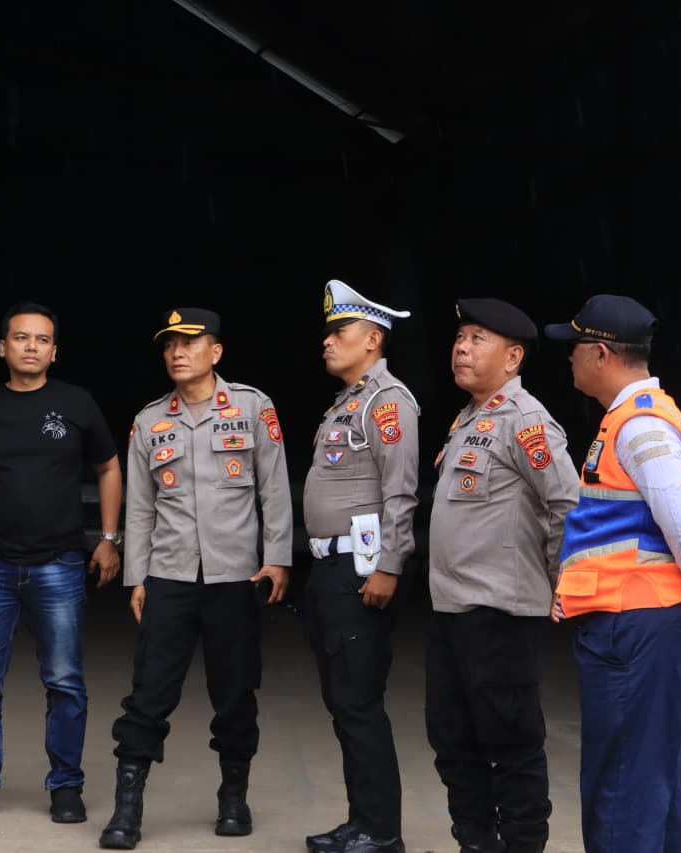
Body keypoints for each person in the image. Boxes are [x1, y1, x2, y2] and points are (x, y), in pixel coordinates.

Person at [544, 294, 681, 853]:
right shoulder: (629, 420)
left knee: (622, 789)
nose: (569, 358)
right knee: (651, 779)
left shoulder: (640, 427)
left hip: (636, 627)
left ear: (602, 354)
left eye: (575, 347)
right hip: (641, 621)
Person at [98, 307, 292, 850]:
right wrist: (136, 577)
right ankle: (127, 809)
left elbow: (274, 488)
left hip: (236, 577)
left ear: (216, 351)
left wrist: (278, 558)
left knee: (235, 692)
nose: (177, 352)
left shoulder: (253, 407)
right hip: (169, 576)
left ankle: (233, 798)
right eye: (169, 345)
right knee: (149, 692)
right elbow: (140, 507)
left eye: (189, 342)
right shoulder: (149, 420)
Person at [0, 301, 123, 825]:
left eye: (42, 339)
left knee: (64, 681)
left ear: (54, 351)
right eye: (21, 337)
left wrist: (108, 538)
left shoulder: (76, 403)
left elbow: (109, 468)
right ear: (3, 347)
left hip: (59, 565)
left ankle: (66, 786)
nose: (31, 346)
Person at [425, 299, 580, 853]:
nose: (461, 348)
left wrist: (562, 582)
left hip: (501, 613)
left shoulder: (526, 421)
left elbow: (566, 504)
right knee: (453, 741)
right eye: (459, 337)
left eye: (477, 339)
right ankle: (475, 842)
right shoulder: (468, 418)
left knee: (512, 746)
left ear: (513, 357)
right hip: (452, 610)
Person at [302, 279, 420, 853]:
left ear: (373, 339)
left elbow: (401, 491)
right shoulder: (348, 401)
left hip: (361, 568)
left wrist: (388, 567)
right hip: (334, 569)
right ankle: (361, 821)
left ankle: (381, 831)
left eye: (339, 330)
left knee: (358, 702)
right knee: (343, 702)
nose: (327, 340)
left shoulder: (386, 401)